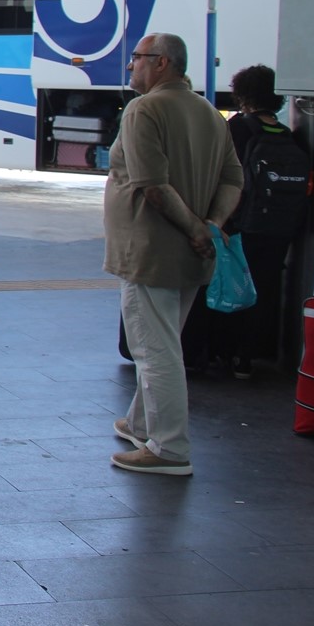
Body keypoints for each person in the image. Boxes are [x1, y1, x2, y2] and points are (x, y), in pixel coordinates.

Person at [106, 32, 242, 476]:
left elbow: (152, 185)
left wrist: (194, 229)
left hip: (150, 250)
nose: (131, 66)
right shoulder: (209, 112)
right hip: (191, 253)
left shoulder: (144, 109)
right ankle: (140, 422)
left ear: (162, 63)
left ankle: (168, 449)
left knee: (154, 350)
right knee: (163, 339)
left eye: (138, 59)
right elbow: (232, 180)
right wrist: (212, 227)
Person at [222, 64, 300, 379]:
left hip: (242, 223)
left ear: (241, 94)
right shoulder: (286, 134)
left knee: (235, 286)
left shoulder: (239, 128)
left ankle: (226, 352)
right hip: (279, 227)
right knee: (266, 286)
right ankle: (253, 354)